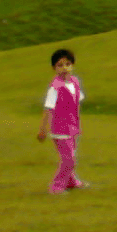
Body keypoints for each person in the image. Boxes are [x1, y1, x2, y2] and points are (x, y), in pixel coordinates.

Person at [35, 48, 85, 193]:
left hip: (73, 127)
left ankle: (71, 181)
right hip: (60, 129)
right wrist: (42, 129)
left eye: (67, 64)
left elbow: (77, 101)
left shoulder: (75, 82)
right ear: (54, 68)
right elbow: (48, 109)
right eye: (60, 65)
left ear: (73, 65)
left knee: (72, 155)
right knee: (68, 159)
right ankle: (57, 186)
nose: (64, 68)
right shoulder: (55, 88)